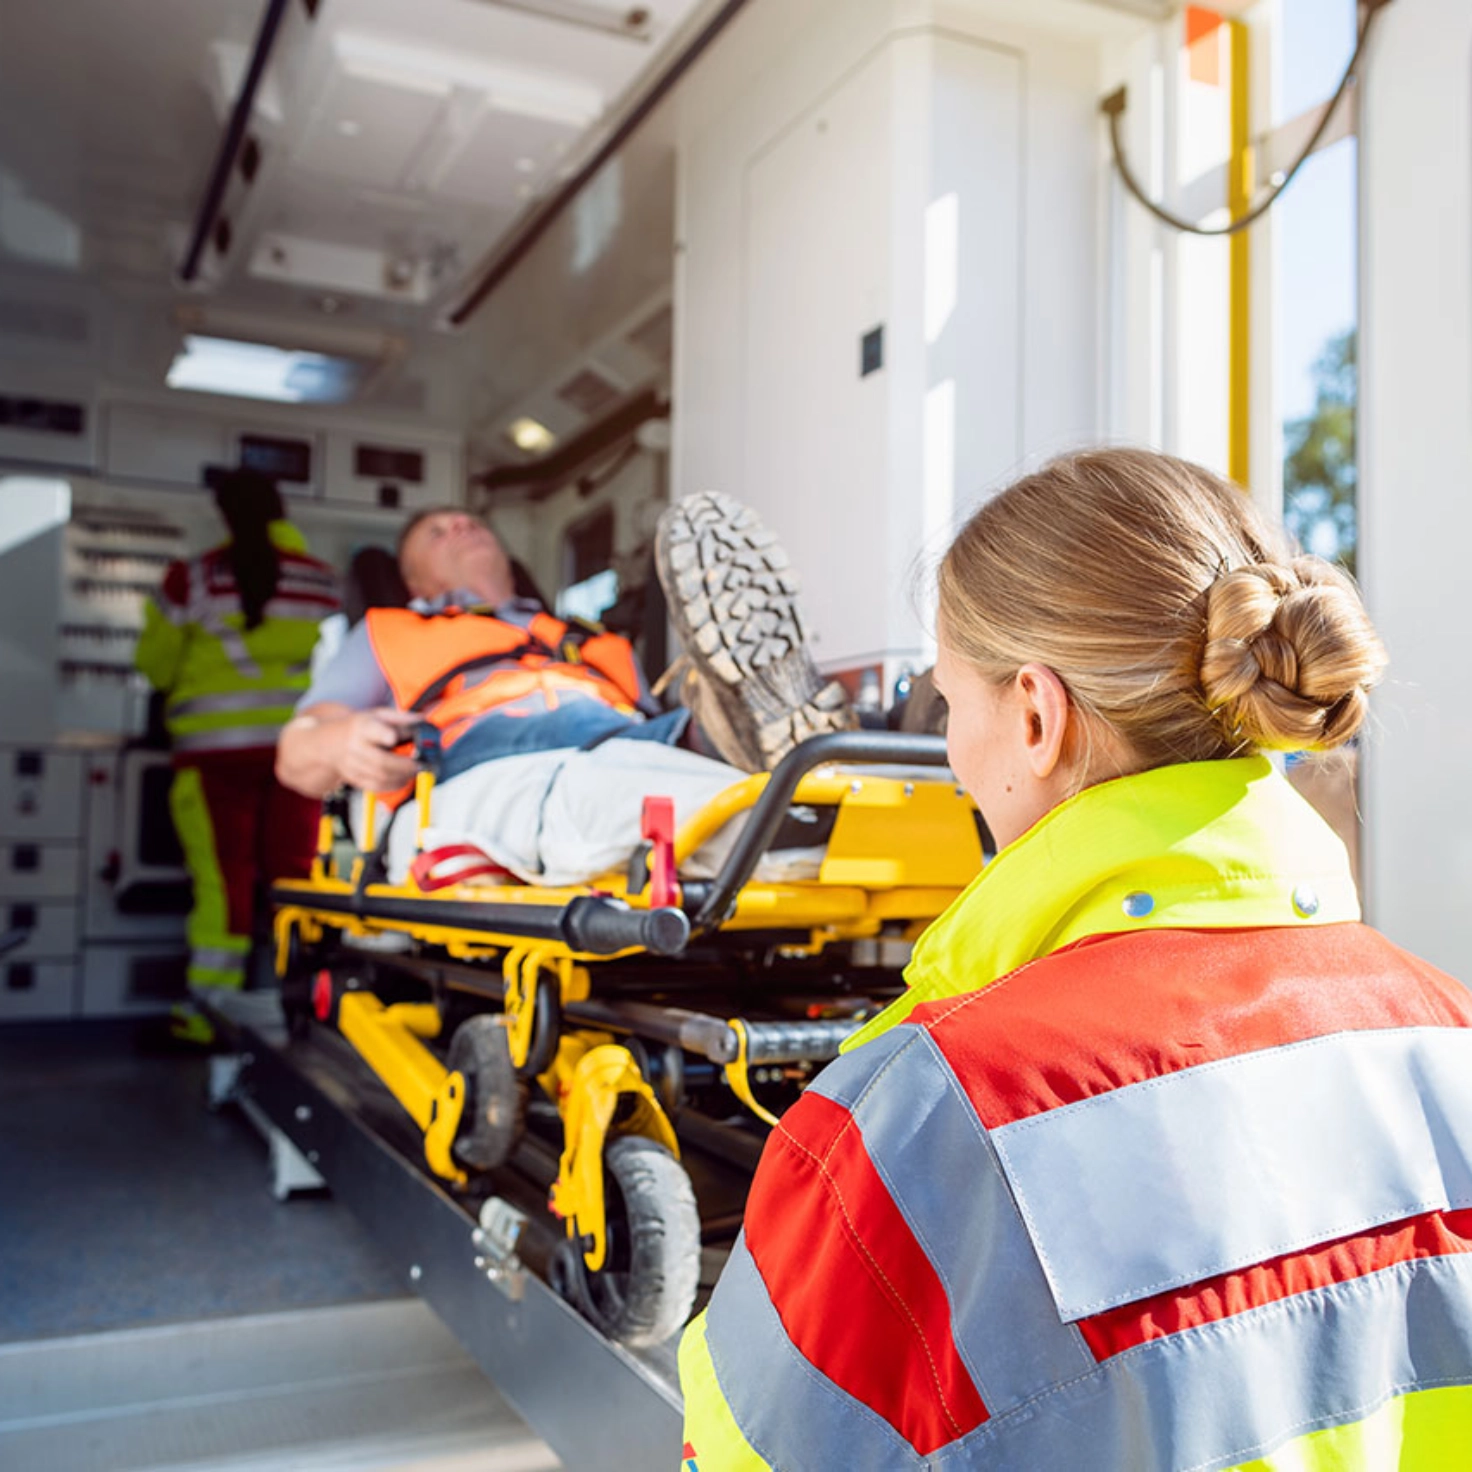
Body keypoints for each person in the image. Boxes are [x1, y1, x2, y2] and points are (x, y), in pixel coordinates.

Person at [679, 448, 1472, 1470]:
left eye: (945, 703)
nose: (952, 748)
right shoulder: (1444, 1036)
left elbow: (743, 1446)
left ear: (1035, 716)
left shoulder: (917, 1113)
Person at [275, 495, 853, 802]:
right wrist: (337, 741)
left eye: (470, 521)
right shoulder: (388, 629)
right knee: (577, 719)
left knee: (634, 722)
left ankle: (853, 725)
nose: (461, 526)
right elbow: (294, 756)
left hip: (621, 731)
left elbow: (645, 720)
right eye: (438, 530)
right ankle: (743, 731)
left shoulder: (592, 642)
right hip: (468, 746)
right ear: (414, 583)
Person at [135, 469, 339, 1036]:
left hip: (214, 756)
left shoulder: (191, 578)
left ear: (223, 514)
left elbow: (153, 665)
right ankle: (298, 1002)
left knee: (224, 882)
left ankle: (208, 1012)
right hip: (300, 756)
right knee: (294, 878)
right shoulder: (324, 582)